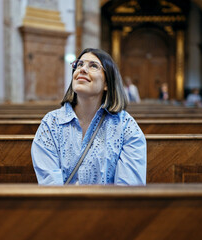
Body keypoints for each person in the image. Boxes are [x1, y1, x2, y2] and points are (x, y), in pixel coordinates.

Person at [31, 48, 147, 185]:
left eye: (93, 66)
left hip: (110, 206)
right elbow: (50, 186)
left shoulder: (126, 126)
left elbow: (128, 190)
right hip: (60, 205)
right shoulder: (51, 123)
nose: (82, 69)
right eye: (79, 64)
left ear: (106, 84)